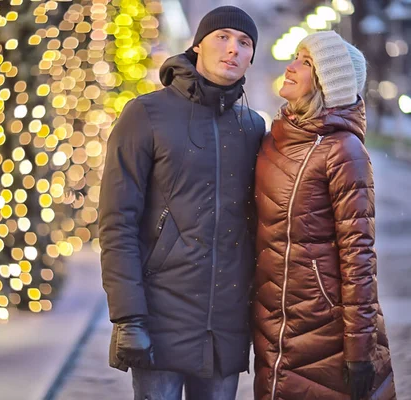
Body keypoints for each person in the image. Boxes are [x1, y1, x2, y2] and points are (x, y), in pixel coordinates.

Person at [98, 6, 265, 400]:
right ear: (198, 45)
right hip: (160, 317)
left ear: (251, 58)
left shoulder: (252, 126)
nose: (233, 49)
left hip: (225, 326)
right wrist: (128, 317)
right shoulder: (146, 114)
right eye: (222, 36)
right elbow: (116, 222)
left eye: (244, 43)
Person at [252, 30, 396, 400]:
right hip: (274, 327)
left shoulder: (343, 150)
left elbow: (358, 255)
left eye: (306, 62)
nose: (290, 67)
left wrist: (360, 348)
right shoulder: (274, 139)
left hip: (324, 331)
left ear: (326, 82)